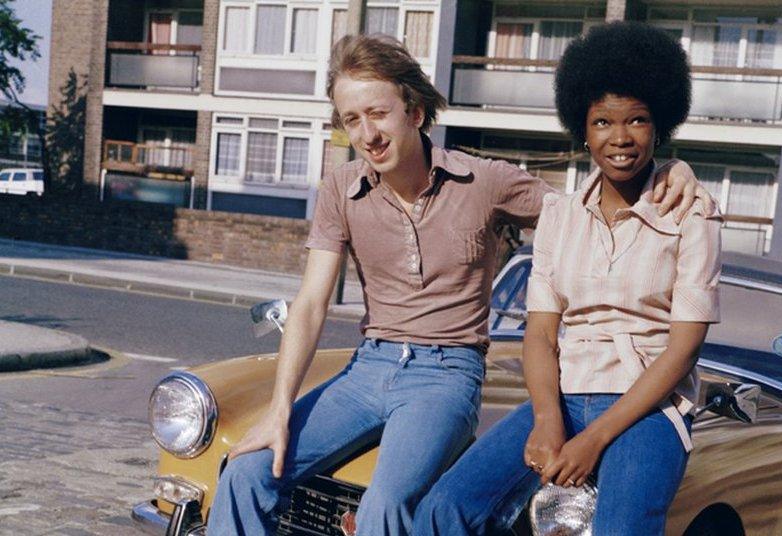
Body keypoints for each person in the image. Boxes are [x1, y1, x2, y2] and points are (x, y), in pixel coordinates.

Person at [207, 33, 713, 536]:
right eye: (351, 120)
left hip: (445, 372)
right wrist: (278, 411)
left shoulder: (484, 181)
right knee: (246, 471)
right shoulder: (341, 188)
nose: (368, 134)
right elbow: (312, 302)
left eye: (378, 114)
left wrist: (672, 169)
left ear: (416, 113)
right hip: (369, 365)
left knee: (385, 509)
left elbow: (589, 197)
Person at [414, 21, 722, 535]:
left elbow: (682, 352)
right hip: (561, 395)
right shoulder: (559, 214)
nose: (620, 138)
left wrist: (594, 439)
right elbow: (540, 334)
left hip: (646, 409)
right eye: (603, 121)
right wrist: (545, 419)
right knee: (445, 507)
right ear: (582, 128)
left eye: (638, 121)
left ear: (659, 126)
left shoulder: (693, 214)